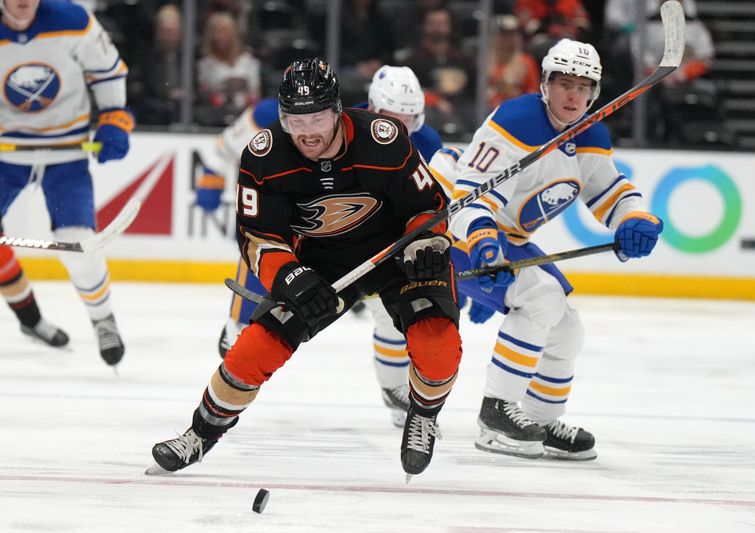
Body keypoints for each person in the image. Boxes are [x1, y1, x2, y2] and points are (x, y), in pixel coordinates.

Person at [148, 58, 463, 478]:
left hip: (394, 251)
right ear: (282, 117)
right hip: (321, 262)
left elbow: (428, 209)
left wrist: (427, 239)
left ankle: (422, 414)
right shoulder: (264, 157)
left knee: (437, 343)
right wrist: (291, 277)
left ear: (337, 111)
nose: (308, 131)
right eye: (296, 120)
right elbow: (259, 237)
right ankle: (200, 434)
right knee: (254, 348)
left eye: (316, 117)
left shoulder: (384, 141)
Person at [438, 39, 662, 460]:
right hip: (460, 234)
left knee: (567, 328)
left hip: (512, 240)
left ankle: (539, 419)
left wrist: (634, 218)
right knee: (539, 297)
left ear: (594, 92)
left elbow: (609, 191)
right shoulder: (517, 121)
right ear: (545, 83)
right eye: (563, 83)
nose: (573, 94)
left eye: (583, 86)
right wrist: (484, 242)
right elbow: (469, 194)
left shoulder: (592, 132)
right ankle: (494, 417)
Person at [214, 66, 469, 429]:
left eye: (409, 118)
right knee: (275, 271)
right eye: (392, 116)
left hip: (384, 247)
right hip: (314, 245)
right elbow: (260, 238)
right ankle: (237, 324)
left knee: (406, 317)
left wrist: (436, 252)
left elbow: (427, 210)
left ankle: (400, 391)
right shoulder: (323, 126)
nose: (401, 125)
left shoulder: (421, 142)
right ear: (368, 106)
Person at [0, 0, 133, 365]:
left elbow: (107, 71)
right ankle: (30, 319)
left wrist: (114, 117)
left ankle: (102, 319)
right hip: (4, 157)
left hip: (66, 156)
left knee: (77, 242)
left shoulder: (72, 20)